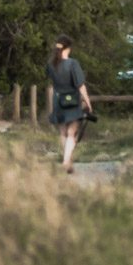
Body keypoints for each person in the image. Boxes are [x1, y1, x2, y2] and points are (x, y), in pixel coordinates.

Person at [46, 38, 93, 174]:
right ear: (68, 48)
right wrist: (88, 102)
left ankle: (68, 161)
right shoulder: (73, 64)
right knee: (71, 133)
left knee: (62, 132)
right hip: (72, 101)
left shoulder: (51, 65)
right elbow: (80, 86)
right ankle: (66, 161)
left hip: (58, 100)